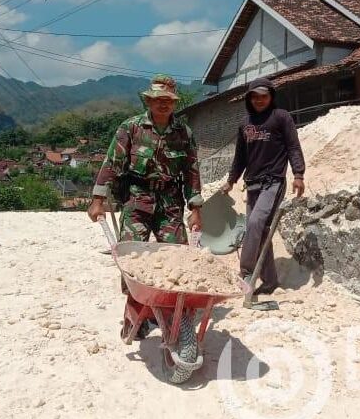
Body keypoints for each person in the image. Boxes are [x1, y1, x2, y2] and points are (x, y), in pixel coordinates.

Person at [87, 73, 203, 246]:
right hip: (136, 201)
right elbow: (112, 163)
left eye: (168, 100)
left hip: (170, 204)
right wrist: (98, 201)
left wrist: (195, 211)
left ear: (174, 102)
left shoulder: (184, 133)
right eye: (158, 99)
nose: (163, 104)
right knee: (131, 255)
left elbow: (191, 173)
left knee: (177, 255)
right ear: (148, 100)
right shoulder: (131, 127)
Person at [222, 77, 306, 296]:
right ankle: (269, 281)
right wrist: (231, 180)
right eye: (255, 97)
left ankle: (246, 272)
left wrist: (298, 173)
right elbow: (240, 157)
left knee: (255, 223)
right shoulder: (245, 123)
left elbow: (293, 147)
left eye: (264, 96)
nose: (259, 100)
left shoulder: (281, 117)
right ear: (249, 99)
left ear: (271, 96)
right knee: (260, 231)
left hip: (273, 182)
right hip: (252, 184)